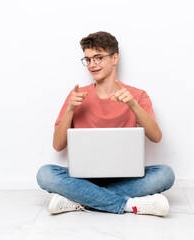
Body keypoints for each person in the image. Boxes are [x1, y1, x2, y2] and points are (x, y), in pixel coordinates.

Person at [36, 31, 175, 217]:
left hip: (125, 176)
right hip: (84, 177)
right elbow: (58, 145)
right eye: (88, 59)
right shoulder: (76, 97)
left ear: (114, 58)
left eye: (98, 58)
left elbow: (156, 137)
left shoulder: (138, 95)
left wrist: (132, 104)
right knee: (45, 174)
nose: (92, 65)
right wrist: (70, 109)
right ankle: (128, 204)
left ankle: (79, 200)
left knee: (165, 174)